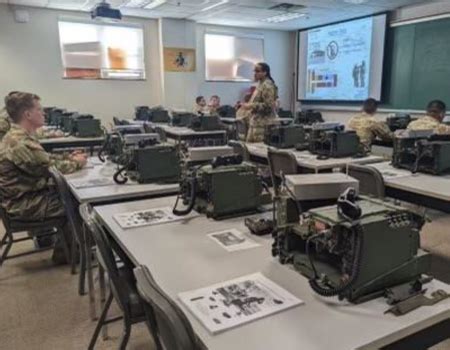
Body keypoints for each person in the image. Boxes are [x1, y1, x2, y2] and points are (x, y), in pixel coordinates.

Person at [0, 92, 87, 221]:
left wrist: (68, 157)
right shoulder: (20, 142)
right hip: (23, 204)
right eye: (39, 109)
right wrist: (77, 162)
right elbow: (54, 169)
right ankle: (67, 240)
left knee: (72, 196)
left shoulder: (17, 135)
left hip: (23, 197)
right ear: (28, 114)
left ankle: (56, 239)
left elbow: (44, 158)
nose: (43, 113)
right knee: (82, 205)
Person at [239, 62, 278, 142]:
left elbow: (268, 106)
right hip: (255, 123)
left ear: (265, 73)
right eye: (254, 71)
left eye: (257, 71)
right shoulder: (260, 84)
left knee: (258, 151)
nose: (255, 74)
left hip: (263, 126)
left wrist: (250, 106)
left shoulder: (268, 85)